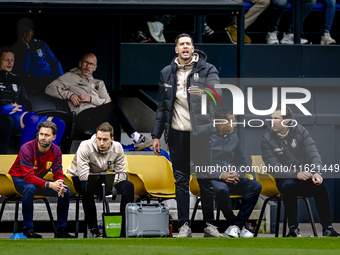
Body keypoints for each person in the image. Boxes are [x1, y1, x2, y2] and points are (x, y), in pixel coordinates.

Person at [152, 33, 223, 238]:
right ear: (176, 49)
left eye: (188, 44)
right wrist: (156, 135)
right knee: (181, 181)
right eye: (181, 44)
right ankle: (184, 225)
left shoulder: (207, 69)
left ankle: (210, 225)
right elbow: (162, 108)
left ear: (193, 49)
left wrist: (204, 91)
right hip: (176, 134)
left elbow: (218, 91)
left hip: (200, 134)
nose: (185, 47)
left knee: (204, 180)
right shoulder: (166, 73)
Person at [261, 105, 340, 237]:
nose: (272, 121)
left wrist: (316, 172)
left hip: (304, 178)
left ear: (287, 121)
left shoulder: (301, 131)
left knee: (319, 185)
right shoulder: (266, 138)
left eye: (276, 118)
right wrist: (296, 174)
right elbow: (273, 167)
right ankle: (293, 229)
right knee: (289, 185)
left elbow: (314, 154)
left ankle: (328, 228)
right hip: (284, 180)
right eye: (271, 118)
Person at [45, 53, 152, 150]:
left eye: (91, 64)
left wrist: (90, 98)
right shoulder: (71, 77)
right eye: (86, 63)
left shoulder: (99, 83)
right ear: (80, 63)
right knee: (114, 106)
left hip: (97, 117)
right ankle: (136, 137)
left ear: (95, 67)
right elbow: (49, 88)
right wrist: (70, 95)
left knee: (113, 119)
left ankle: (115, 153)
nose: (88, 66)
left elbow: (107, 102)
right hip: (82, 117)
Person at [66, 122, 134, 238]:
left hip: (102, 178)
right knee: (87, 188)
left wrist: (109, 185)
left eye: (105, 140)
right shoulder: (85, 146)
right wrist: (103, 185)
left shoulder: (117, 147)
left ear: (112, 139)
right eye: (99, 139)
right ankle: (93, 228)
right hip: (78, 178)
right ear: (96, 137)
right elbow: (83, 176)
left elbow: (122, 174)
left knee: (128, 185)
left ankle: (124, 227)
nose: (101, 143)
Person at [8, 121, 74, 238]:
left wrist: (59, 183)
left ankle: (61, 230)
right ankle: (28, 229)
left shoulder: (56, 151)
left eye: (47, 135)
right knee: (29, 187)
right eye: (41, 134)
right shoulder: (27, 148)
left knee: (65, 189)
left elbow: (58, 172)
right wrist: (49, 184)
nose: (43, 138)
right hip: (17, 181)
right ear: (37, 134)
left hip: (37, 181)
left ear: (54, 137)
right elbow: (28, 177)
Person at [0, 47, 65, 154]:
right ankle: (25, 157)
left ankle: (49, 157)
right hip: (4, 114)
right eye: (6, 59)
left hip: (18, 113)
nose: (9, 63)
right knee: (33, 118)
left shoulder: (17, 79)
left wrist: (21, 106)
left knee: (59, 122)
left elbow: (27, 103)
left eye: (12, 60)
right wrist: (3, 108)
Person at [211, 108, 262, 238]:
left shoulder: (234, 137)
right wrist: (220, 175)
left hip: (233, 179)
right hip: (213, 179)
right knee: (222, 190)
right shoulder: (205, 138)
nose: (235, 124)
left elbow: (242, 162)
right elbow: (195, 165)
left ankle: (236, 226)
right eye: (232, 121)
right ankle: (237, 225)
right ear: (221, 124)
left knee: (255, 186)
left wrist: (237, 173)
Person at [13, 17, 64, 92]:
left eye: (27, 32)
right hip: (35, 80)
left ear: (32, 32)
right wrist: (27, 49)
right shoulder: (16, 49)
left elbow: (55, 61)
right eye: (22, 32)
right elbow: (24, 71)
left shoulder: (41, 44)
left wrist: (62, 79)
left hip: (50, 76)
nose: (24, 35)